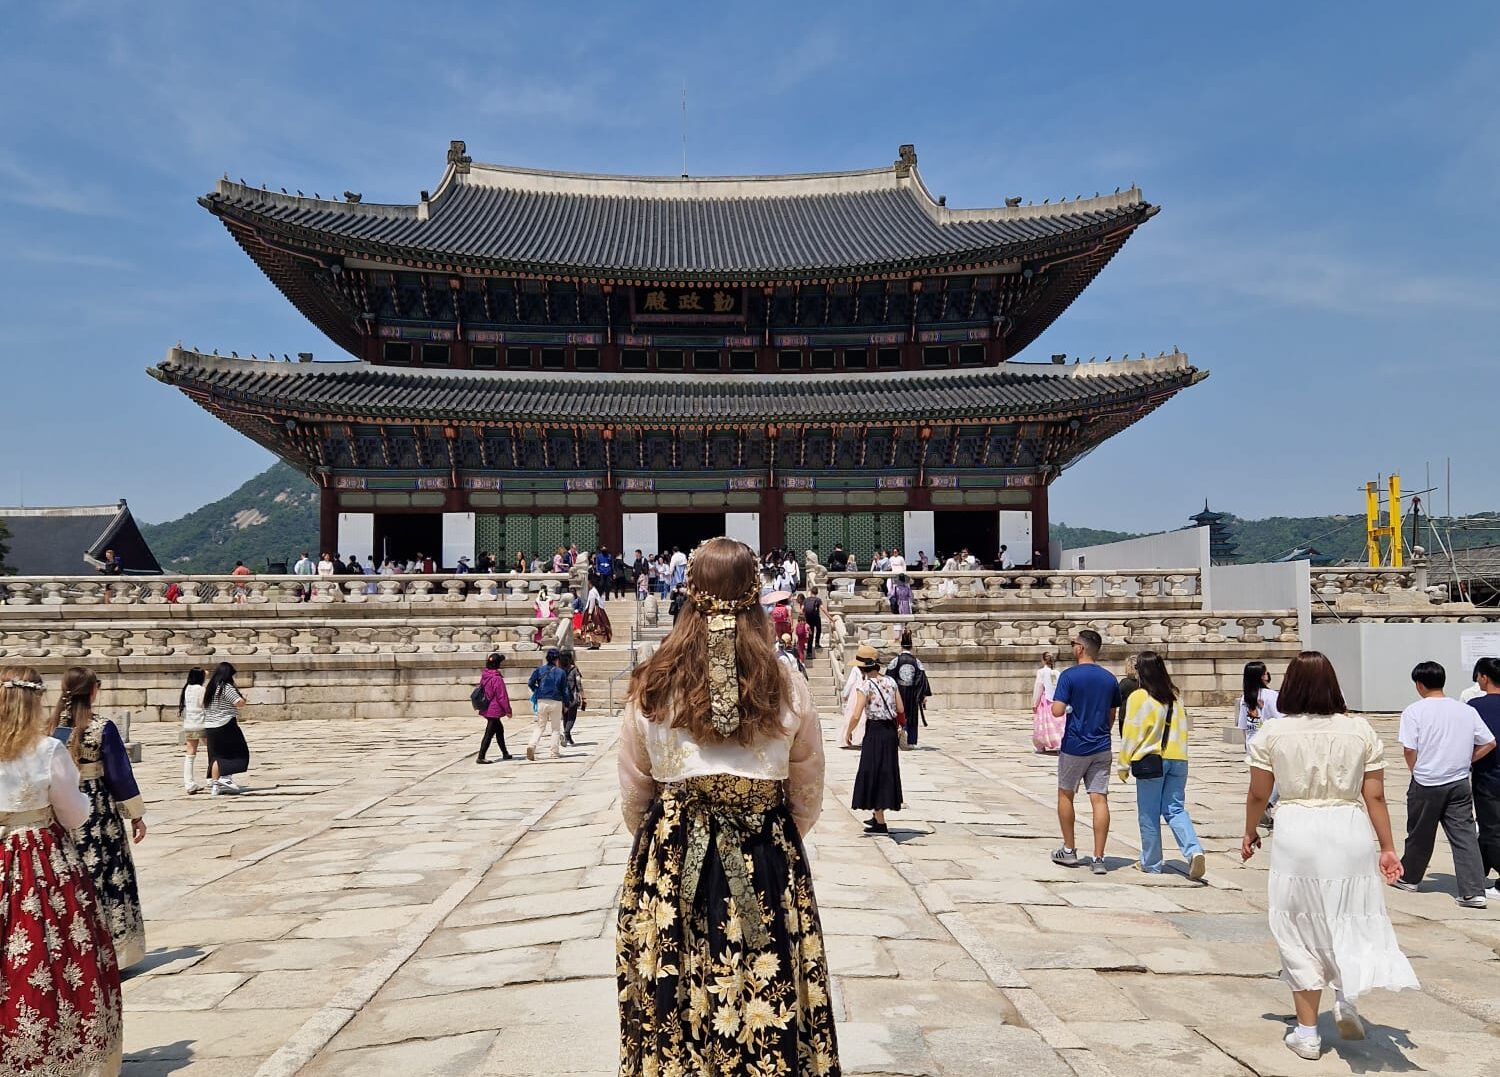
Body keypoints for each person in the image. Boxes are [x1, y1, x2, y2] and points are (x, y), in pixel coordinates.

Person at [617, 537, 836, 1074]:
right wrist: (776, 832)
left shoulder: (652, 681)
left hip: (671, 859)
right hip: (765, 850)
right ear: (756, 598)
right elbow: (807, 782)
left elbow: (634, 790)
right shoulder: (786, 681)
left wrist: (666, 829)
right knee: (767, 983)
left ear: (688, 596)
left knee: (676, 984)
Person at [1241, 651, 1417, 1061]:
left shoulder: (1273, 732)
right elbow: (1373, 794)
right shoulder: (1361, 730)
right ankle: (1346, 999)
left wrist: (1249, 831)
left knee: (1298, 924)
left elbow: (1258, 793)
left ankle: (1306, 1033)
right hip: (1349, 830)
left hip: (1298, 828)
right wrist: (1388, 846)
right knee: (1348, 916)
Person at [0, 666, 124, 1074]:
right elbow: (74, 814)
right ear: (36, 701)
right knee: (60, 948)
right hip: (41, 855)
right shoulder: (47, 750)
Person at [54, 666, 148, 968]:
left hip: (61, 807)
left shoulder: (52, 728)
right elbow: (120, 775)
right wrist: (136, 815)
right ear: (93, 690)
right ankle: (114, 950)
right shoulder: (102, 727)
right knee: (108, 874)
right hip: (98, 809)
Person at [1393, 661, 1494, 906]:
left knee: (1419, 833)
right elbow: (1489, 741)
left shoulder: (1414, 711)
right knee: (1464, 836)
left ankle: (1410, 877)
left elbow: (1409, 748)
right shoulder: (1465, 710)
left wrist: (1416, 770)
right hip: (1458, 781)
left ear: (1419, 684)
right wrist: (1466, 760)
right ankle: (1473, 891)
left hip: (1427, 781)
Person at [1117, 651, 1206, 878]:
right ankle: (1193, 850)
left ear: (1140, 672)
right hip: (1179, 758)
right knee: (1175, 809)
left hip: (1151, 759)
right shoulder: (1175, 697)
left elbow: (1132, 731)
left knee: (1148, 813)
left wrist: (1123, 763)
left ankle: (1152, 861)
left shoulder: (1140, 697)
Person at [1050, 629, 1117, 874]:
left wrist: (1068, 707)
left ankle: (1069, 849)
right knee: (1099, 798)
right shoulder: (1109, 678)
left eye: (1073, 644)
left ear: (1081, 648)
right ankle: (1099, 858)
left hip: (1075, 745)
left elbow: (1057, 711)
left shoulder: (1069, 676)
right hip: (1102, 745)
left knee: (1066, 794)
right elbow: (1112, 714)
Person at [844, 642, 904, 834]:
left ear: (862, 667)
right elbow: (900, 709)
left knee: (873, 771)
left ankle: (880, 822)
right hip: (890, 732)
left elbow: (856, 713)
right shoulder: (891, 682)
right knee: (886, 771)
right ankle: (878, 815)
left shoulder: (865, 685)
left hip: (875, 732)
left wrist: (849, 731)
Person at [1468, 656, 1500, 894]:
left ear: (1484, 677)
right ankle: (1478, 872)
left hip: (1488, 776)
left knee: (1490, 828)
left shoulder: (1475, 707)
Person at [1237, 660, 1283, 828]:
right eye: (1265, 672)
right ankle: (1268, 804)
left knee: (1258, 781)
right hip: (1269, 743)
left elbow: (1243, 725)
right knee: (1280, 777)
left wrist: (1247, 744)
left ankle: (1259, 812)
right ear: (1260, 676)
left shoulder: (1245, 698)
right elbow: (1281, 720)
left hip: (1252, 744)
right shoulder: (1272, 696)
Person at [202, 662, 252, 795]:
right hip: (225, 724)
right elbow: (238, 703)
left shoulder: (211, 687)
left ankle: (215, 785)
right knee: (237, 752)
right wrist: (244, 699)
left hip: (210, 725)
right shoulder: (226, 687)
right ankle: (225, 777)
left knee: (215, 756)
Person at [886, 631, 932, 747]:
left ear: (901, 646)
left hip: (899, 692)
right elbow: (921, 679)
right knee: (911, 716)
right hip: (912, 693)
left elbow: (889, 677)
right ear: (911, 646)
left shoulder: (895, 661)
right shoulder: (916, 661)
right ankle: (911, 741)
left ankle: (896, 738)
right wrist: (922, 695)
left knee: (898, 713)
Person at [526, 649, 566, 761]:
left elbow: (530, 683)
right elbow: (565, 690)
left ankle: (532, 745)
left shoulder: (539, 670)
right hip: (556, 701)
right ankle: (554, 752)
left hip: (542, 700)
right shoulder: (561, 672)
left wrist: (537, 690)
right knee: (555, 728)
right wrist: (567, 703)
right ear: (557, 659)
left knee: (540, 726)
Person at [473, 653, 514, 763]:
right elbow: (502, 696)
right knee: (489, 733)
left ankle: (505, 753)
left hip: (487, 707)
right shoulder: (496, 678)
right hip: (494, 709)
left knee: (499, 730)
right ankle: (481, 756)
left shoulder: (485, 675)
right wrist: (508, 710)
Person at [180, 666, 207, 793]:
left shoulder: (187, 688)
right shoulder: (201, 689)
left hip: (189, 723)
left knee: (190, 753)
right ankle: (212, 778)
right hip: (201, 722)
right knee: (212, 750)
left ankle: (189, 782)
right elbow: (205, 704)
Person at [1031, 651, 1063, 752]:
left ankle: (1040, 745)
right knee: (1058, 723)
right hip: (1057, 701)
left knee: (1043, 722)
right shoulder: (1057, 673)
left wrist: (1035, 702)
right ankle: (1059, 742)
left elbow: (1038, 687)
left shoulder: (1041, 672)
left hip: (1046, 700)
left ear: (1043, 660)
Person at [560, 650, 585, 747]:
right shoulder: (574, 669)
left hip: (561, 697)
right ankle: (566, 732)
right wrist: (583, 696)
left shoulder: (558, 669)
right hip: (572, 695)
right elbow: (578, 684)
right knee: (572, 717)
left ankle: (568, 736)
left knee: (565, 716)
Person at [578, 578, 612, 649]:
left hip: (593, 612)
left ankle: (594, 643)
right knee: (597, 626)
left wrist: (590, 613)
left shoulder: (592, 592)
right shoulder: (595, 591)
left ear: (590, 583)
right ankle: (596, 643)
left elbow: (592, 602)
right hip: (597, 610)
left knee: (593, 627)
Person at [1114, 654, 1139, 734]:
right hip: (1140, 716)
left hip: (1125, 716)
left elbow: (1116, 698)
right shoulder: (1143, 683)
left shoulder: (1124, 683)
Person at [803, 586, 824, 655]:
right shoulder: (818, 600)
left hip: (808, 618)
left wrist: (803, 619)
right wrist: (830, 618)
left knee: (810, 634)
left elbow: (801, 610)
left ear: (811, 592)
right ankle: (817, 643)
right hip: (816, 617)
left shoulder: (806, 600)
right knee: (819, 629)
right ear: (817, 592)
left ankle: (809, 652)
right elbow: (823, 609)